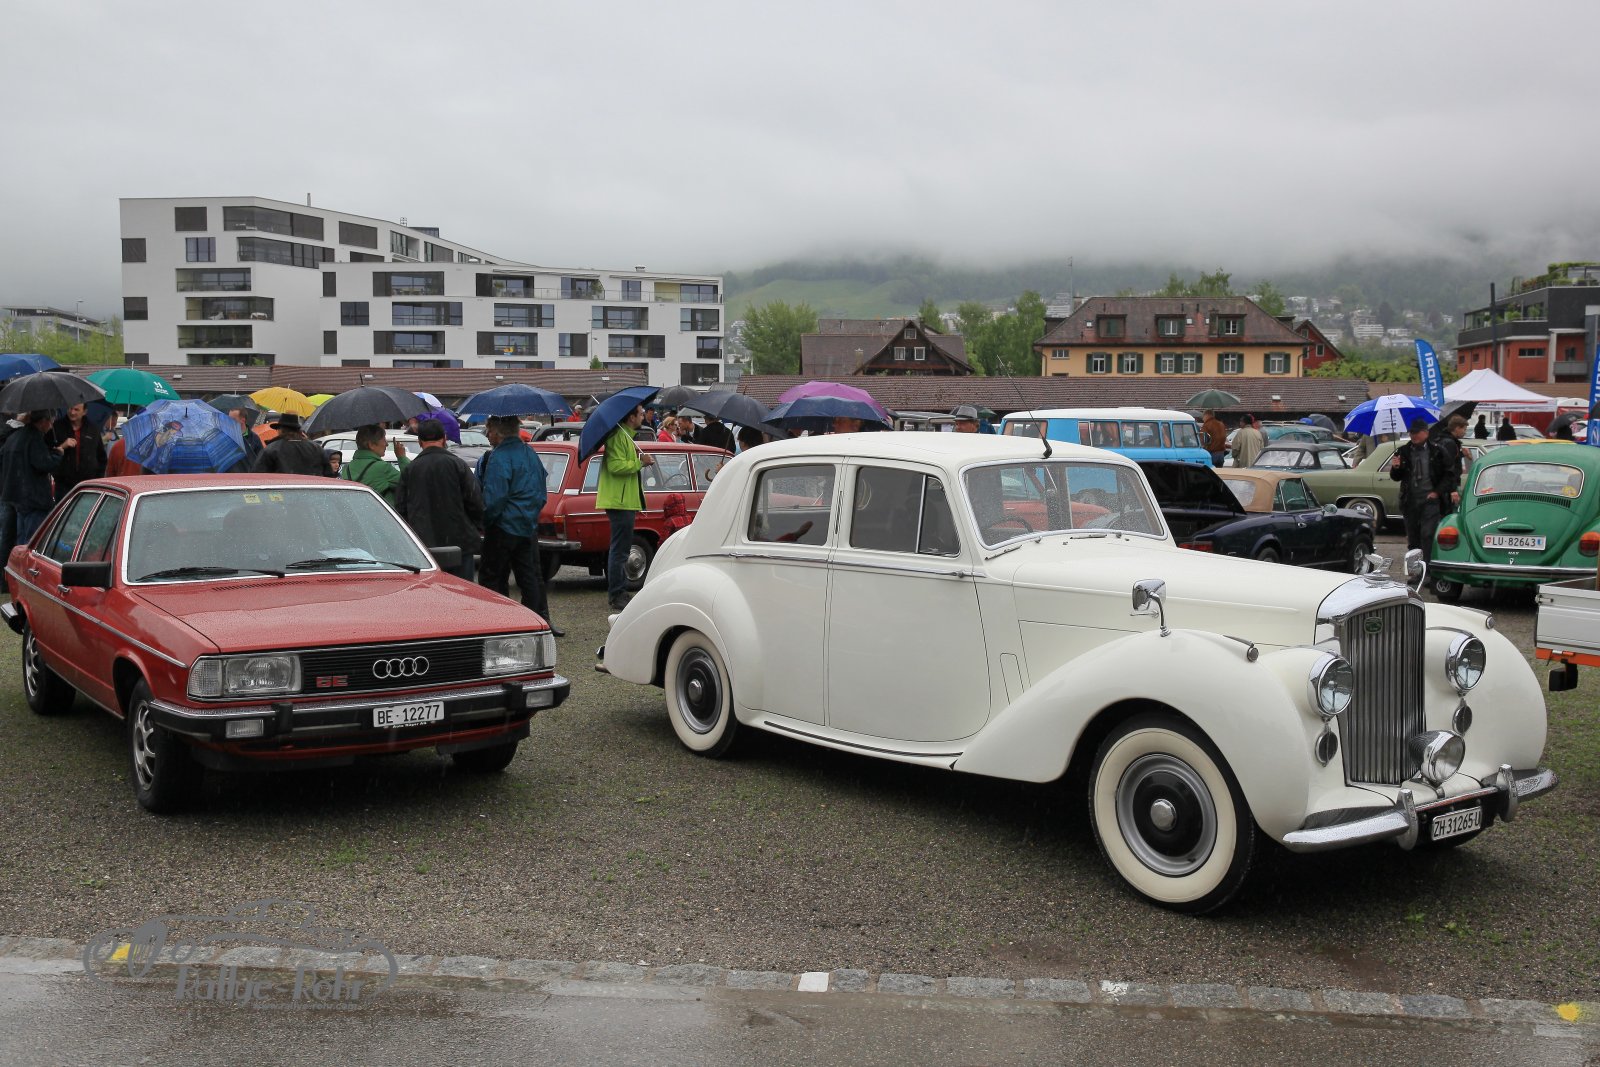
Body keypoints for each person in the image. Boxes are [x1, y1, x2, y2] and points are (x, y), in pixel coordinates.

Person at [476, 415, 557, 632]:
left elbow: (495, 498)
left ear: (497, 432)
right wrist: (530, 513)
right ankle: (533, 622)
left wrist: (485, 521)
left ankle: (498, 622)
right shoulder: (530, 453)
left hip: (503, 525)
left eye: (489, 430)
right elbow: (541, 491)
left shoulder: (499, 456)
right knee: (529, 578)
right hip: (527, 524)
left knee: (492, 577)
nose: (487, 435)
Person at [396, 419, 483, 581]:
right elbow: (475, 502)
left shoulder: (410, 470)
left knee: (431, 592)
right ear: (444, 438)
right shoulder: (458, 465)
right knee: (462, 592)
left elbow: (401, 509)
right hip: (459, 544)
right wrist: (477, 528)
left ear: (419, 442)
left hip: (423, 546)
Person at [598, 404, 652, 610]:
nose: (643, 417)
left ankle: (620, 591)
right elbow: (615, 466)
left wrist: (638, 459)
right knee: (620, 550)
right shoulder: (618, 437)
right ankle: (617, 593)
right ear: (631, 417)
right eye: (640, 414)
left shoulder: (625, 436)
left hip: (624, 500)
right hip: (619, 501)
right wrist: (640, 462)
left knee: (621, 548)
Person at [1390, 417, 1456, 581]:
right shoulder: (1403, 451)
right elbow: (1396, 477)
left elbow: (1449, 474)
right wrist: (1396, 467)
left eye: (1417, 432)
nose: (1413, 435)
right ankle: (1415, 573)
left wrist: (1437, 492)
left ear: (1426, 433)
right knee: (1413, 539)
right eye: (1411, 432)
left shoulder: (1437, 451)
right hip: (1410, 501)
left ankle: (1428, 571)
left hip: (1430, 501)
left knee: (1427, 535)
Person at [1, 411, 71, 545]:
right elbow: (44, 463)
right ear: (43, 421)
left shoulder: (15, 436)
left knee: (21, 540)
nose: (51, 426)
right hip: (33, 499)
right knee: (32, 542)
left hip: (18, 497)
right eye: (51, 422)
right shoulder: (34, 437)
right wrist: (58, 454)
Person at [51, 403, 107, 499]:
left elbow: (101, 457)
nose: (72, 412)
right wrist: (63, 446)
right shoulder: (56, 427)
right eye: (70, 408)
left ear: (84, 412)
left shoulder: (93, 429)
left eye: (76, 410)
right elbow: (48, 453)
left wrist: (97, 479)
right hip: (64, 486)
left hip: (88, 485)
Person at [344, 424, 407, 504]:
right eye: (384, 440)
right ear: (371, 445)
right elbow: (411, 480)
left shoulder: (347, 468)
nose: (387, 444)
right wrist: (401, 457)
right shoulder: (382, 467)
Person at [253, 413, 332, 476]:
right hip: (312, 489)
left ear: (281, 430)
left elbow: (257, 474)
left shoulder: (272, 449)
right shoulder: (316, 448)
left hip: (282, 489)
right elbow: (329, 474)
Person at [1435, 415, 1470, 508]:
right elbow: (1449, 467)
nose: (1465, 432)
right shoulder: (1449, 443)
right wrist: (1452, 490)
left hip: (1444, 486)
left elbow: (1450, 458)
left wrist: (1461, 454)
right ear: (1457, 428)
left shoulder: (1444, 440)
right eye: (1464, 429)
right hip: (1448, 488)